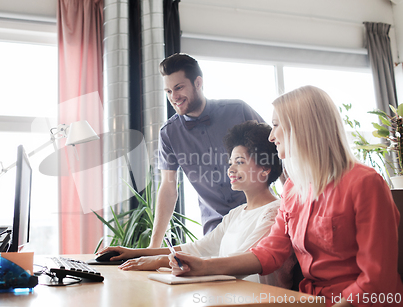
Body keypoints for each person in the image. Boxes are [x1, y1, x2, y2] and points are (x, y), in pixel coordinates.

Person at [167, 86, 403, 307]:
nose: (271, 136)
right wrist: (202, 266)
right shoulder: (292, 189)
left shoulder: (365, 183)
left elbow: (377, 278)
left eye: (276, 125)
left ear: (302, 128)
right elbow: (268, 253)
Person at [98, 121, 295, 288]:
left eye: (240, 162)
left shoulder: (274, 212)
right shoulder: (236, 214)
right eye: (231, 162)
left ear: (265, 169)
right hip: (229, 296)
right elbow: (197, 248)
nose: (231, 169)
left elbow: (240, 261)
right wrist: (136, 252)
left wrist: (161, 261)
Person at [150, 53, 264, 248]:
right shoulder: (169, 134)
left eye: (178, 88)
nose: (173, 97)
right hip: (215, 229)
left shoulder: (238, 110)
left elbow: (276, 151)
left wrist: (292, 206)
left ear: (198, 82)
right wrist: (153, 246)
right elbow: (168, 189)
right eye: (168, 91)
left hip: (258, 216)